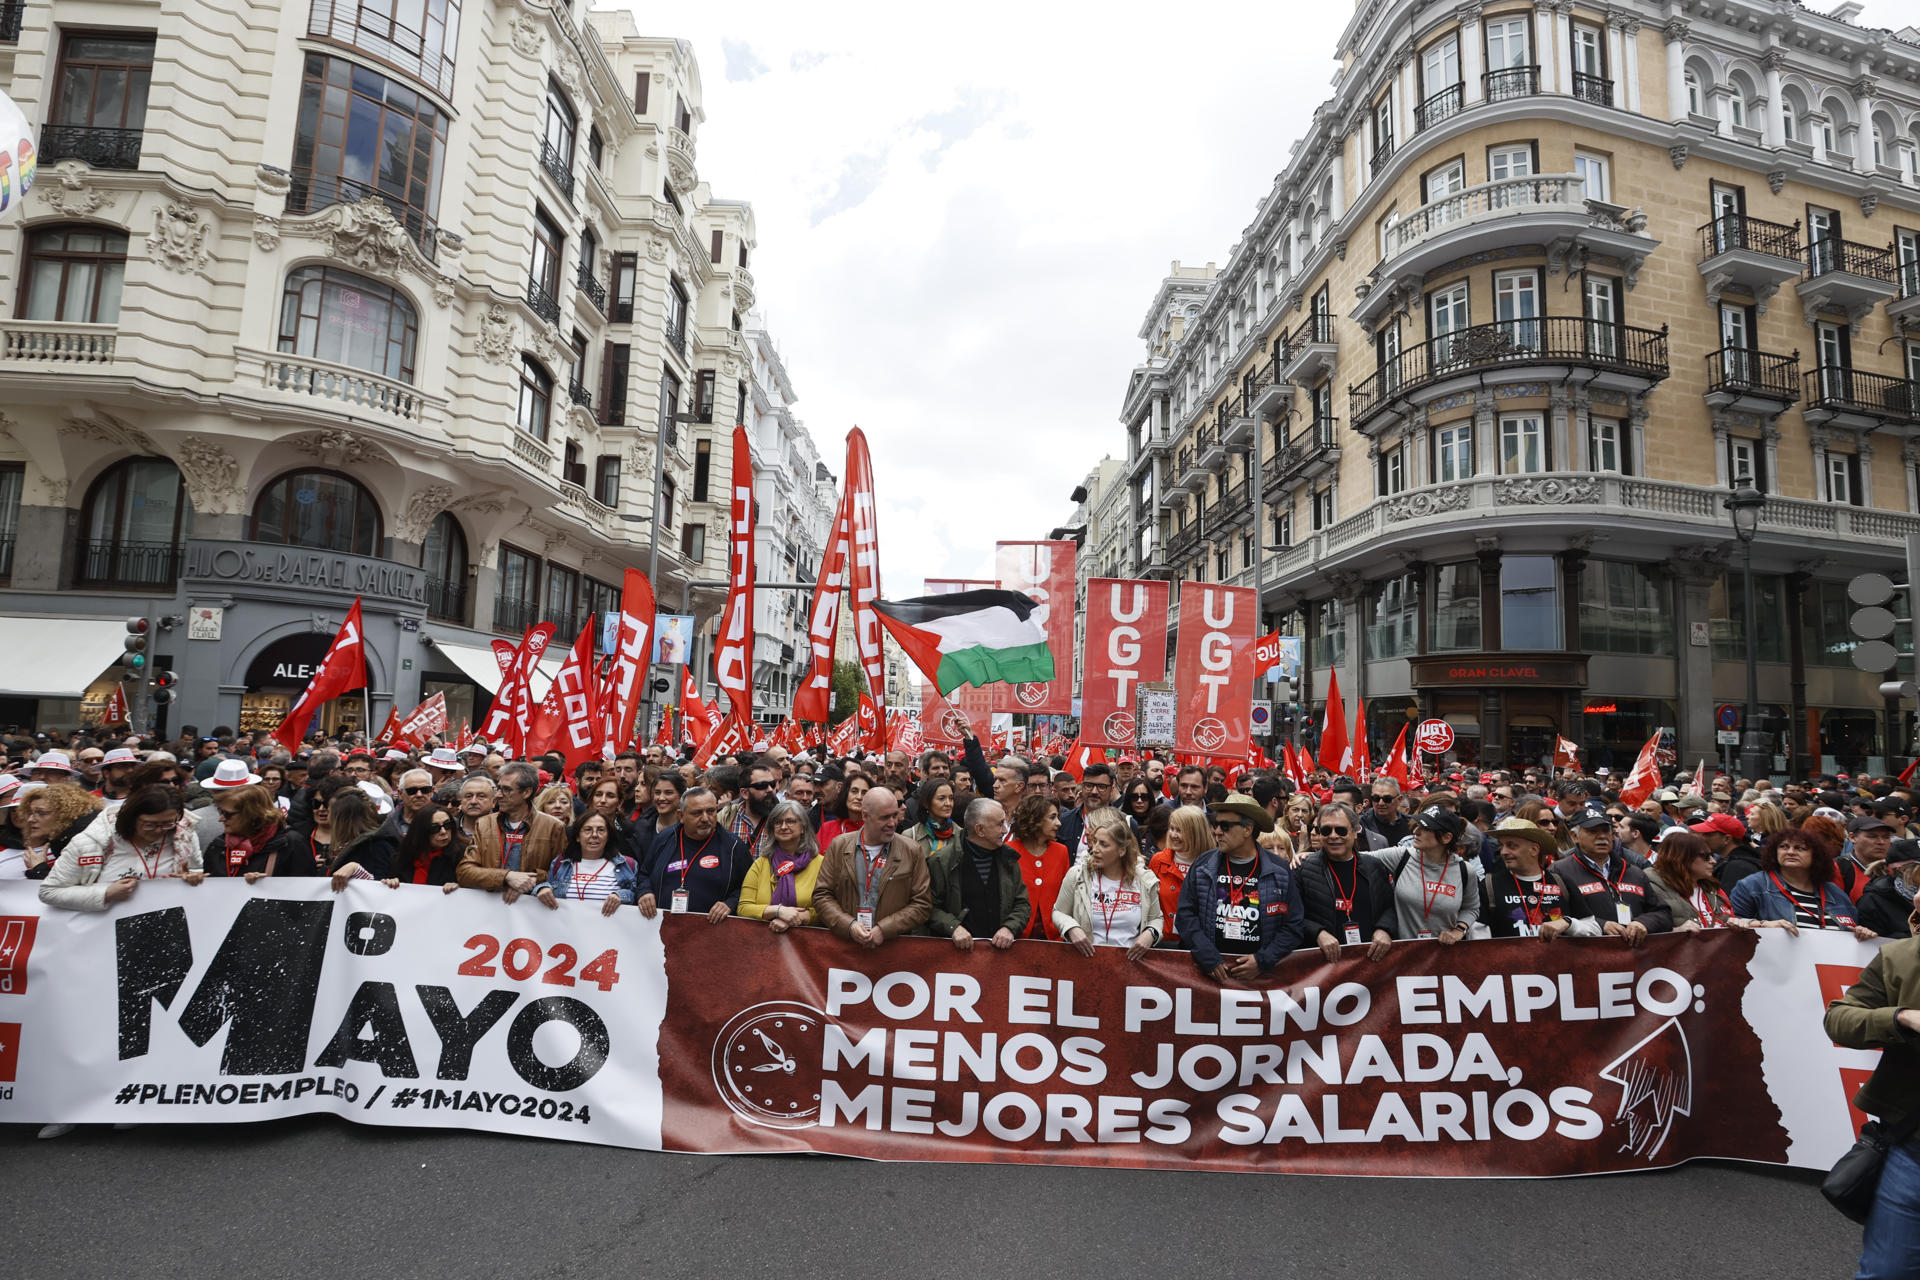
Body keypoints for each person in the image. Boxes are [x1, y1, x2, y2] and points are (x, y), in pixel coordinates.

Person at [1822, 891, 1920, 1279]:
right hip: (1910, 1150)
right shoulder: (1901, 957)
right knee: (1886, 1272)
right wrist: (1900, 1018)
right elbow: (1840, 1019)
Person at [1174, 792, 1304, 982]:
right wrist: (1207, 957)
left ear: (1247, 829)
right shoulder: (1203, 865)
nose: (1217, 831)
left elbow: (1294, 926)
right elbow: (1185, 916)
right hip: (1208, 977)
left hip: (1260, 979)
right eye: (1216, 824)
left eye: (1225, 826)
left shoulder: (1280, 871)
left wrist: (1262, 961)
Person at [39, 785, 206, 911]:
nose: (159, 830)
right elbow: (50, 892)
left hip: (166, 928)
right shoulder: (91, 843)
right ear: (131, 818)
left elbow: (195, 870)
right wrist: (106, 893)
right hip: (103, 933)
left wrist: (193, 878)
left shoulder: (184, 836)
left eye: (168, 823)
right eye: (149, 824)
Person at [812, 785, 931, 947]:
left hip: (893, 950)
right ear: (865, 816)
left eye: (895, 815)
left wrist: (884, 929)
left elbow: (922, 904)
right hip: (844, 950)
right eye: (885, 817)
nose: (892, 823)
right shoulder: (839, 846)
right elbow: (822, 895)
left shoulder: (911, 850)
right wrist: (849, 925)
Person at [1728, 827, 1877, 939]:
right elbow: (1730, 923)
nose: (1790, 852)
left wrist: (1861, 933)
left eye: (1800, 848)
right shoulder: (1752, 886)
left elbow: (1851, 928)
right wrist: (1761, 925)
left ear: (1816, 856)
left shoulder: (1834, 893)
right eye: (1784, 847)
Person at [1553, 807, 1672, 946]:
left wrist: (1643, 923)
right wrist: (1600, 924)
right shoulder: (1559, 871)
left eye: (1605, 831)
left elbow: (1663, 914)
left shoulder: (1634, 872)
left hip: (1635, 958)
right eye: (1593, 832)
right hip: (1587, 956)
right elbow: (1556, 918)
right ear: (1575, 837)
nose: (1602, 836)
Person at [1053, 809, 1159, 959]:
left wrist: (1150, 933)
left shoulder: (1144, 879)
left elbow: (1156, 918)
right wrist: (1071, 928)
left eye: (1103, 844)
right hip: (1087, 962)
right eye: (1094, 841)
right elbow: (1058, 912)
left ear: (1121, 850)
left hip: (1130, 965)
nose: (1095, 849)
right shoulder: (1077, 875)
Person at [1298, 801, 1396, 959]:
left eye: (1341, 830)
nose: (1333, 836)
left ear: (1355, 831)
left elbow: (1389, 907)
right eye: (1326, 830)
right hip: (1323, 966)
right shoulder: (1304, 869)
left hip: (1370, 961)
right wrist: (1318, 933)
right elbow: (1293, 916)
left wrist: (1385, 929)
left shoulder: (1375, 867)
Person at [926, 797, 1027, 951]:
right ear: (980, 830)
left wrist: (1009, 928)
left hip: (1001, 955)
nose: (1005, 830)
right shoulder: (942, 862)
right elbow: (929, 907)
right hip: (956, 957)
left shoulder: (1009, 859)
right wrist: (953, 927)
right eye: (1000, 824)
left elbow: (1022, 904)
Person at [458, 761, 566, 903]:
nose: (498, 795)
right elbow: (464, 872)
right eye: (498, 788)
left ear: (526, 792)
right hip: (488, 908)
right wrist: (507, 877)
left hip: (530, 911)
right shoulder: (484, 823)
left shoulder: (553, 827)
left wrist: (532, 883)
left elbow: (562, 875)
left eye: (507, 790)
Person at [637, 787, 749, 921]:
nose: (705, 818)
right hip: (664, 927)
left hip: (712, 931)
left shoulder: (734, 846)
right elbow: (644, 874)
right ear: (681, 816)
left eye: (711, 811)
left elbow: (749, 889)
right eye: (697, 813)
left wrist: (730, 904)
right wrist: (645, 892)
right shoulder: (665, 839)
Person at [1478, 816, 1596, 940]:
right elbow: (1479, 939)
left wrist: (1568, 923)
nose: (1504, 852)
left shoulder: (1561, 883)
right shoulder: (1489, 885)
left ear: (1534, 850)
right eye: (1502, 845)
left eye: (1511, 846)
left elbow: (1594, 928)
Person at [1381, 805, 1481, 944]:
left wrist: (1459, 930)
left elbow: (1471, 907)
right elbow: (1357, 859)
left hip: (1444, 956)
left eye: (1425, 828)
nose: (1416, 831)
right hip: (1403, 955)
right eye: (1417, 826)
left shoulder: (1465, 870)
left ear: (1446, 837)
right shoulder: (1401, 856)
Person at [737, 800, 823, 933]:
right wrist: (778, 911)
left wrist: (798, 917)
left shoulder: (821, 864)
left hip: (808, 946)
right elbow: (743, 908)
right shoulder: (761, 864)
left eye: (790, 821)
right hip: (762, 941)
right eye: (778, 822)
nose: (783, 826)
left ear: (803, 828)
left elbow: (827, 909)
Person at [537, 811, 637, 917]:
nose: (594, 835)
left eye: (601, 830)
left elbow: (637, 898)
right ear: (577, 837)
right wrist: (542, 888)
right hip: (565, 931)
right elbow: (548, 889)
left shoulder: (627, 865)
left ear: (608, 836)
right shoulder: (561, 863)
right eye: (588, 830)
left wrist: (621, 896)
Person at [208, 783, 314, 880]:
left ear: (251, 814)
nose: (221, 819)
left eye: (227, 814)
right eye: (221, 812)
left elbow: (305, 890)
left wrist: (264, 887)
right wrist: (197, 882)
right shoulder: (219, 845)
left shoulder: (290, 843)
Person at [1644, 830, 1741, 931]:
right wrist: (1676, 931)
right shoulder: (1652, 886)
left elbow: (1728, 918)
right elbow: (1643, 930)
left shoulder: (1712, 887)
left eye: (1712, 855)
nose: (1713, 861)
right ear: (1682, 858)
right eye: (1706, 857)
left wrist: (1742, 922)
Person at [1007, 791, 1070, 942]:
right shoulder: (1009, 851)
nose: (1059, 823)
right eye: (1052, 817)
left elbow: (1067, 898)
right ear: (1034, 819)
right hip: (1016, 937)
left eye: (1058, 817)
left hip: (1054, 939)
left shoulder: (1061, 851)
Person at [1148, 804, 1213, 931]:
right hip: (1163, 941)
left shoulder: (1212, 864)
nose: (1173, 835)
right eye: (1171, 829)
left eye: (1179, 830)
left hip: (1198, 942)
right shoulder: (1158, 860)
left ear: (1196, 833)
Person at [387, 805, 465, 890]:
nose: (443, 831)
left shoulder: (464, 856)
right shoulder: (404, 856)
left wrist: (460, 887)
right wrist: (391, 883)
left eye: (447, 824)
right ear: (421, 831)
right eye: (434, 828)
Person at [1057, 762, 1115, 858]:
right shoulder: (1063, 821)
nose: (1094, 792)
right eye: (1089, 785)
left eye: (1101, 787)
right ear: (1082, 786)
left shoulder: (1125, 823)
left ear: (1112, 789)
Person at [905, 776, 959, 860]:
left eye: (951, 798)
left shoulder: (960, 834)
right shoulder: (911, 836)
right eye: (941, 798)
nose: (948, 803)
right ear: (926, 803)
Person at [817, 773, 869, 848]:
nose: (859, 797)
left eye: (864, 793)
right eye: (854, 791)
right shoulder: (827, 828)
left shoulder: (874, 830)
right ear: (845, 794)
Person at [1361, 777, 1411, 845]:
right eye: (1376, 798)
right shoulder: (1361, 824)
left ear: (1399, 799)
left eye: (1387, 799)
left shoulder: (1411, 823)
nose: (1381, 803)